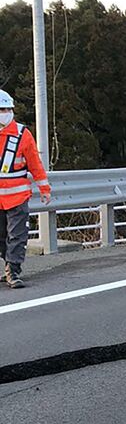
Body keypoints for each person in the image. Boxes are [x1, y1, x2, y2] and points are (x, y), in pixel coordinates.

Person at [0, 89, 52, 288]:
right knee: (2, 237)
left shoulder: (22, 134)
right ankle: (7, 267)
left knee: (17, 236)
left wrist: (44, 188)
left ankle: (13, 271)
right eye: (1, 109)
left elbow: (35, 164)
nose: (5, 112)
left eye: (8, 109)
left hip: (18, 196)